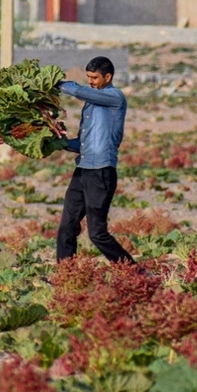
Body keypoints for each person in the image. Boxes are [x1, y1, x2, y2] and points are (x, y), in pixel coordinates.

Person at [54, 56, 137, 265]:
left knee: (97, 233)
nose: (91, 81)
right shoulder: (91, 105)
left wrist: (55, 83)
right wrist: (56, 141)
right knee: (67, 226)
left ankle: (135, 273)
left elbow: (81, 91)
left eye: (95, 77)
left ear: (108, 77)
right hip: (82, 171)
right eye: (88, 77)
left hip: (101, 172)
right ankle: (65, 274)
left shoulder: (115, 97)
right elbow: (82, 144)